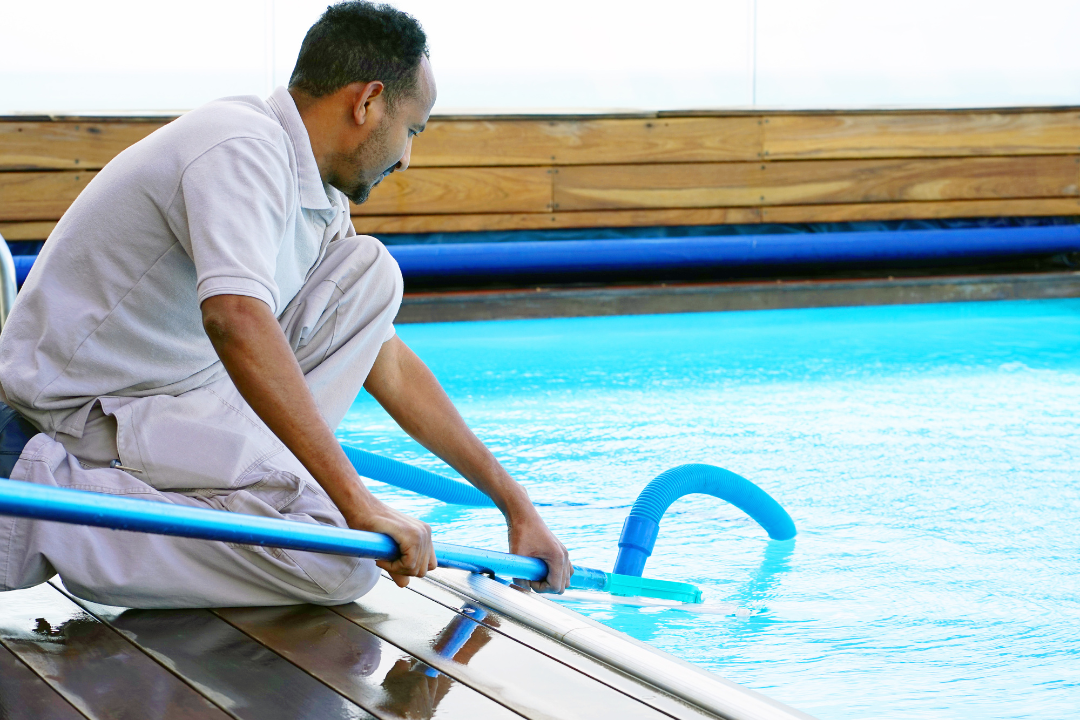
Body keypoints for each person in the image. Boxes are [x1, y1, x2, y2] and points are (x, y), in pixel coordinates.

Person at [0, 1, 572, 608]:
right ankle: (48, 514)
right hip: (85, 418)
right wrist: (358, 503)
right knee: (340, 563)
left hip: (172, 400)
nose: (407, 158)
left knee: (369, 273)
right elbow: (236, 320)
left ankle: (245, 488)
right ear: (367, 101)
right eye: (412, 130)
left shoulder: (317, 195)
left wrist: (515, 505)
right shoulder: (239, 148)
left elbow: (391, 365)